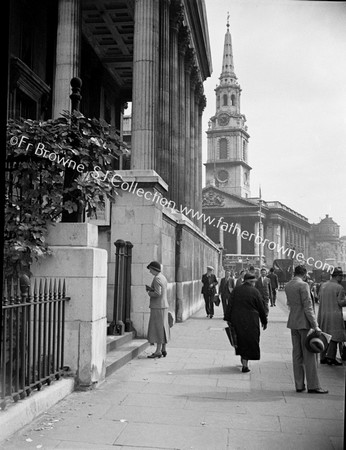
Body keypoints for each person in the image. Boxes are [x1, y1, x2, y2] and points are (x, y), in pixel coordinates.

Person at [285, 265, 328, 394]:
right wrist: (315, 325)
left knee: (297, 354)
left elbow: (289, 304)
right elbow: (308, 307)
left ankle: (299, 385)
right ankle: (314, 386)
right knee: (309, 355)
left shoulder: (288, 285)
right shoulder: (303, 285)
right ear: (304, 274)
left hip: (293, 322)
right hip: (304, 323)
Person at [224, 273, 267, 372]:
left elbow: (229, 304)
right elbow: (261, 308)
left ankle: (244, 361)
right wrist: (264, 321)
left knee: (240, 341)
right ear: (251, 282)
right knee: (249, 341)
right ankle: (245, 364)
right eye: (253, 282)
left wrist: (228, 318)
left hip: (237, 320)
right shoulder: (255, 292)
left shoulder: (236, 290)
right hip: (251, 321)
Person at [317, 267, 346, 365]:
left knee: (324, 335)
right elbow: (341, 303)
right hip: (334, 315)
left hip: (323, 314)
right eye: (341, 276)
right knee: (334, 336)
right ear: (337, 276)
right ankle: (331, 357)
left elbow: (319, 297)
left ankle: (322, 357)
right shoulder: (339, 287)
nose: (342, 279)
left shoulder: (323, 285)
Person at [146, 261, 170, 358]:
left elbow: (157, 293)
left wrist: (149, 292)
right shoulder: (162, 277)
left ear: (154, 269)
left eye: (150, 269)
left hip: (157, 306)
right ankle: (163, 349)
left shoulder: (156, 279)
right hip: (163, 306)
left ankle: (158, 351)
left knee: (157, 329)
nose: (150, 272)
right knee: (163, 328)